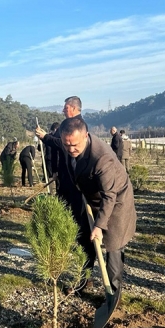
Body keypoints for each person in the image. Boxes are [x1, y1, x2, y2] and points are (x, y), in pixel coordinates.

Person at [60, 116, 137, 294]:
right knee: (85, 240)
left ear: (86, 136)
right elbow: (59, 145)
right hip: (92, 198)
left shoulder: (102, 158)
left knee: (113, 245)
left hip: (116, 200)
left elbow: (109, 196)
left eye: (74, 145)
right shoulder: (69, 142)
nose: (70, 149)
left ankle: (113, 292)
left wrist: (100, 226)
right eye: (66, 145)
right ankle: (82, 282)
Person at [36, 96, 92, 292]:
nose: (62, 110)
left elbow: (60, 144)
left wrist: (45, 137)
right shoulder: (67, 124)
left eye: (65, 107)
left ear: (74, 108)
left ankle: (83, 277)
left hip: (76, 187)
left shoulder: (77, 127)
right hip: (66, 183)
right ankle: (71, 267)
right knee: (69, 224)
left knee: (82, 231)